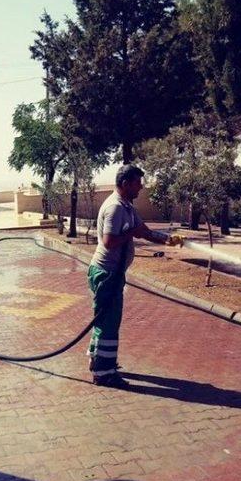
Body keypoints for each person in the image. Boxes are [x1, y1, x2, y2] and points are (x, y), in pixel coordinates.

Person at [88, 164, 185, 388]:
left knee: (105, 320)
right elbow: (109, 242)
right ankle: (104, 374)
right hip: (106, 273)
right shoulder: (115, 208)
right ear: (125, 184)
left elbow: (145, 231)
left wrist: (169, 240)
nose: (141, 187)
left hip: (112, 273)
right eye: (137, 183)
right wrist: (132, 233)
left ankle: (99, 362)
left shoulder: (127, 206)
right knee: (109, 323)